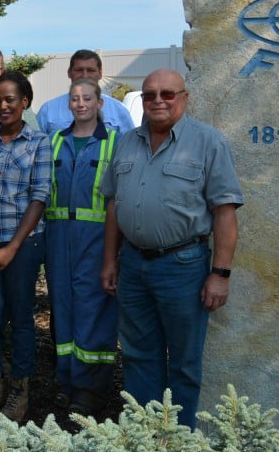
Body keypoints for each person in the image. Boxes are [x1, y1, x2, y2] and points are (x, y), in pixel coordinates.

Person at [100, 69, 243, 428]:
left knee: (183, 362)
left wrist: (220, 274)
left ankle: (178, 444)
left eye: (167, 94)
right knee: (137, 356)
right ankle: (145, 439)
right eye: (149, 95)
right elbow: (114, 205)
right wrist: (110, 261)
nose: (158, 101)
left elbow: (225, 213)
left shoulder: (209, 143)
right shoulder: (127, 142)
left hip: (183, 267)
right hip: (132, 264)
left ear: (184, 97)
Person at [0, 71, 51, 424]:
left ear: (24, 102)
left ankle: (20, 387)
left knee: (20, 318)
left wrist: (13, 247)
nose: (3, 106)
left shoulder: (39, 142)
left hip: (23, 243)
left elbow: (40, 196)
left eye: (11, 99)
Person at [44, 78, 120, 416]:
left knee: (94, 311)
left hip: (97, 237)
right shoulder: (55, 142)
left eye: (87, 98)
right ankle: (67, 381)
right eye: (75, 98)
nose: (81, 104)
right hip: (58, 236)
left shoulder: (116, 143)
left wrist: (113, 253)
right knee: (63, 309)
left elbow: (118, 199)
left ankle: (90, 389)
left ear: (100, 103)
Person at [36, 50, 134, 136]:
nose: (85, 75)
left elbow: (130, 148)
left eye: (91, 70)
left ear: (100, 73)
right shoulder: (48, 110)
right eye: (79, 70)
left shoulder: (118, 110)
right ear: (69, 73)